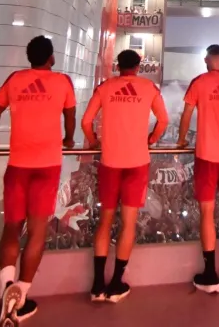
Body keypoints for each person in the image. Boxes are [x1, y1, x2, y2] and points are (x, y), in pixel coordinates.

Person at [0, 36, 76, 325]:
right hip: (47, 166)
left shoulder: (16, 79)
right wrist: (69, 140)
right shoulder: (62, 82)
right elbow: (69, 115)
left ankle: (7, 286)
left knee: (12, 227)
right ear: (51, 58)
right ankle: (21, 295)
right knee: (36, 232)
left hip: (18, 165)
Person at [82, 50, 169, 303]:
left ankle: (97, 285)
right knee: (128, 223)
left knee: (105, 221)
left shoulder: (105, 88)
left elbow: (86, 122)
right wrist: (151, 140)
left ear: (118, 65)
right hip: (137, 162)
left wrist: (94, 141)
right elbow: (162, 120)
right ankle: (116, 283)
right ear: (139, 66)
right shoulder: (148, 88)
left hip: (109, 162)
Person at [176, 44, 219, 293]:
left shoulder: (199, 82)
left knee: (207, 212)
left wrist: (181, 140)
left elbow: (186, 115)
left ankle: (209, 274)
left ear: (207, 59)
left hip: (206, 156)